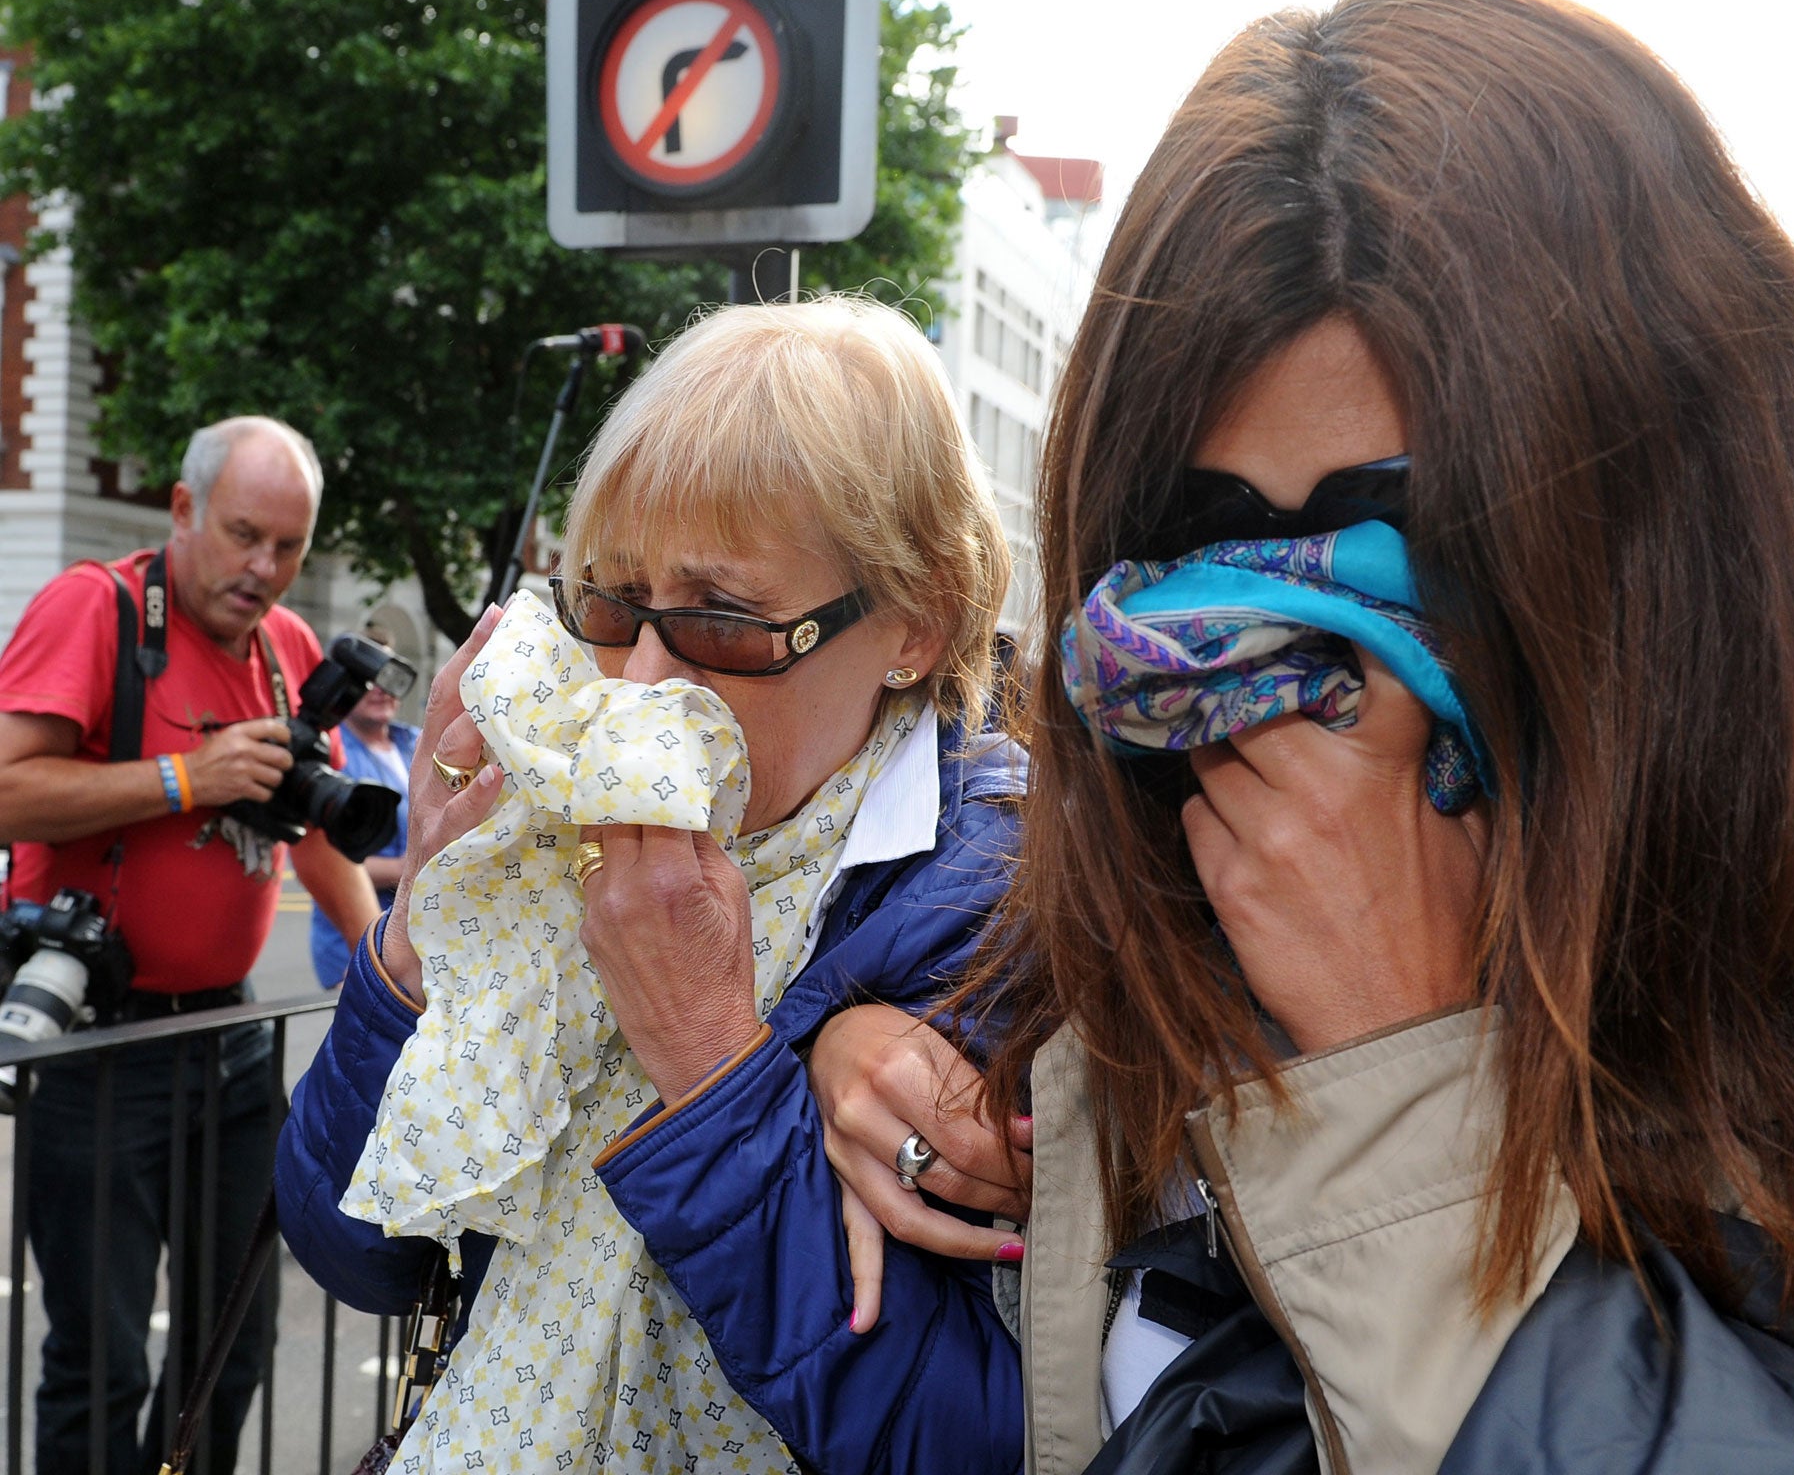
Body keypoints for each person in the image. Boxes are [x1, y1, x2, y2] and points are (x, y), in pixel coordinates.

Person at [807, 0, 1794, 1473]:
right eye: (1213, 543)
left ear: (1672, 562)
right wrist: (860, 1063)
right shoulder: (1145, 956)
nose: (1307, 654)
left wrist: (1399, 1079)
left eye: (1412, 543)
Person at [274, 296, 1028, 1473]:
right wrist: (425, 926)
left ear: (915, 626)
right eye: (611, 604)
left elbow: (962, 1441)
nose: (639, 678)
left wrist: (713, 1056)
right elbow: (354, 1256)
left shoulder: (1002, 911)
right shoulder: (541, 836)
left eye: (721, 619)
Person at [0, 416, 381, 1475]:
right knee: (104, 1357)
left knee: (233, 1342)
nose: (264, 571)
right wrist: (186, 779)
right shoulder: (99, 610)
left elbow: (316, 848)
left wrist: (399, 977)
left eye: (289, 548)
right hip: (101, 1056)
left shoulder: (289, 653)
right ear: (182, 511)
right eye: (245, 536)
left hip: (232, 1052)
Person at [308, 626, 417, 988]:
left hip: (420, 946)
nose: (380, 689)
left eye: (389, 675)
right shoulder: (330, 758)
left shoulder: (415, 742)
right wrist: (411, 868)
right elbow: (324, 858)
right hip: (355, 949)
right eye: (368, 678)